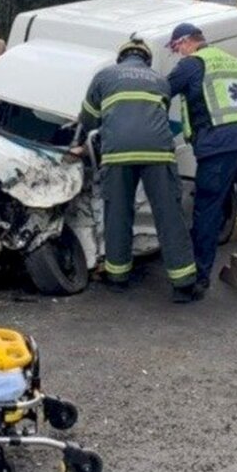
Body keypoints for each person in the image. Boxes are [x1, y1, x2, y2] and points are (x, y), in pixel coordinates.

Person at [78, 39, 200, 304]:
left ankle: (117, 277)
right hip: (158, 152)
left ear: (121, 57)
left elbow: (88, 118)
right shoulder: (160, 79)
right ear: (147, 59)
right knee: (169, 215)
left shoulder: (104, 76)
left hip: (118, 153)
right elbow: (158, 114)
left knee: (118, 212)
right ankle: (183, 283)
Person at [166, 23, 237, 291]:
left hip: (220, 143)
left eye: (176, 47)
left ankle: (199, 278)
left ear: (186, 42)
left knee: (208, 208)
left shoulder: (192, 64)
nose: (177, 53)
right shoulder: (232, 62)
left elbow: (162, 91)